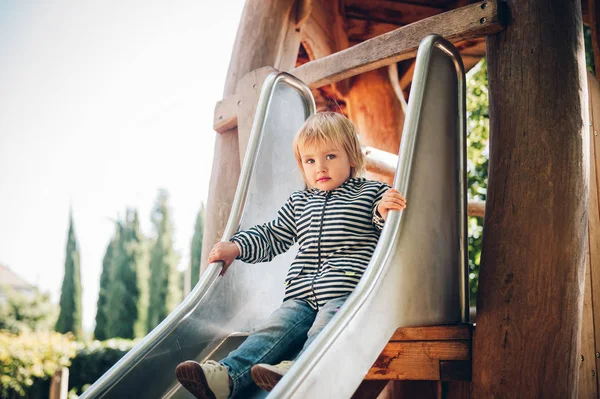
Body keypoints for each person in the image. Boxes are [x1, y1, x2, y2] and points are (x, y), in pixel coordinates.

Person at [175, 112, 407, 399]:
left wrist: (384, 211)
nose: (319, 167)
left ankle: (299, 373)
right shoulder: (300, 202)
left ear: (352, 157)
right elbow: (274, 234)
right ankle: (227, 377)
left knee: (325, 330)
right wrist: (237, 247)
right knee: (272, 330)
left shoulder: (372, 193)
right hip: (301, 294)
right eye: (310, 161)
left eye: (330, 156)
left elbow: (387, 231)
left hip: (346, 294)